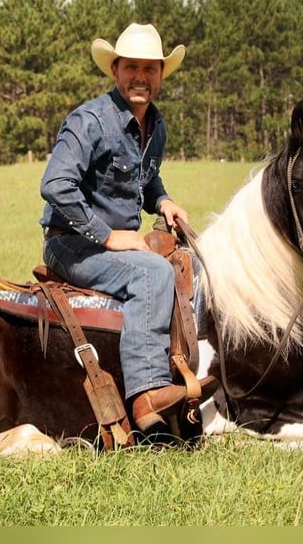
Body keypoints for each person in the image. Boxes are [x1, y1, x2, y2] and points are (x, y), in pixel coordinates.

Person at [39, 23, 214, 432]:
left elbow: (145, 179)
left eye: (149, 69)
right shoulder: (90, 121)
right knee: (152, 271)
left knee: (196, 264)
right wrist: (108, 235)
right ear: (115, 70)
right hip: (72, 244)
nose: (140, 77)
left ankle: (195, 369)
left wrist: (163, 200)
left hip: (117, 244)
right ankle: (146, 393)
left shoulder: (157, 127)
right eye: (131, 67)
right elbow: (55, 185)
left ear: (160, 75)